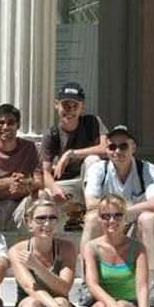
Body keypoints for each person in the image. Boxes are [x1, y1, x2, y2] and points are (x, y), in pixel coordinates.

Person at [82, 125, 154, 307]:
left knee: (150, 218)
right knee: (91, 218)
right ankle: (87, 283)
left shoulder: (148, 169)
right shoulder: (98, 169)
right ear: (107, 149)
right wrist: (118, 212)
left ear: (133, 147)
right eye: (112, 147)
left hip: (133, 224)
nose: (117, 151)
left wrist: (124, 212)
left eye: (123, 146)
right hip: (109, 223)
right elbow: (90, 203)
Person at [40, 82, 107, 217]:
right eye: (65, 105)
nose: (70, 110)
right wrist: (54, 189)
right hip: (67, 183)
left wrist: (70, 154)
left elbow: (105, 149)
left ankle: (93, 212)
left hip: (92, 183)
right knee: (43, 195)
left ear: (82, 108)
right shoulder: (52, 134)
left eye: (75, 106)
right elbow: (45, 172)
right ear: (56, 105)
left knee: (92, 160)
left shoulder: (92, 122)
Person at [0, 103, 44, 230]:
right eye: (1, 123)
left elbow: (39, 182)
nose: (5, 127)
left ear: (18, 125)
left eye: (11, 122)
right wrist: (9, 181)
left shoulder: (32, 148)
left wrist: (25, 183)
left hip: (22, 206)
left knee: (42, 194)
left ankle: (36, 243)